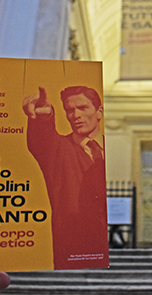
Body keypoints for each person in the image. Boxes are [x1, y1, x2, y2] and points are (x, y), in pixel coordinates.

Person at [22, 85, 108, 269]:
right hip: (73, 248)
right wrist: (43, 117)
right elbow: (42, 138)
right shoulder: (58, 149)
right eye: (70, 110)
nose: (76, 115)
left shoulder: (112, 150)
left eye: (83, 108)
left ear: (99, 112)